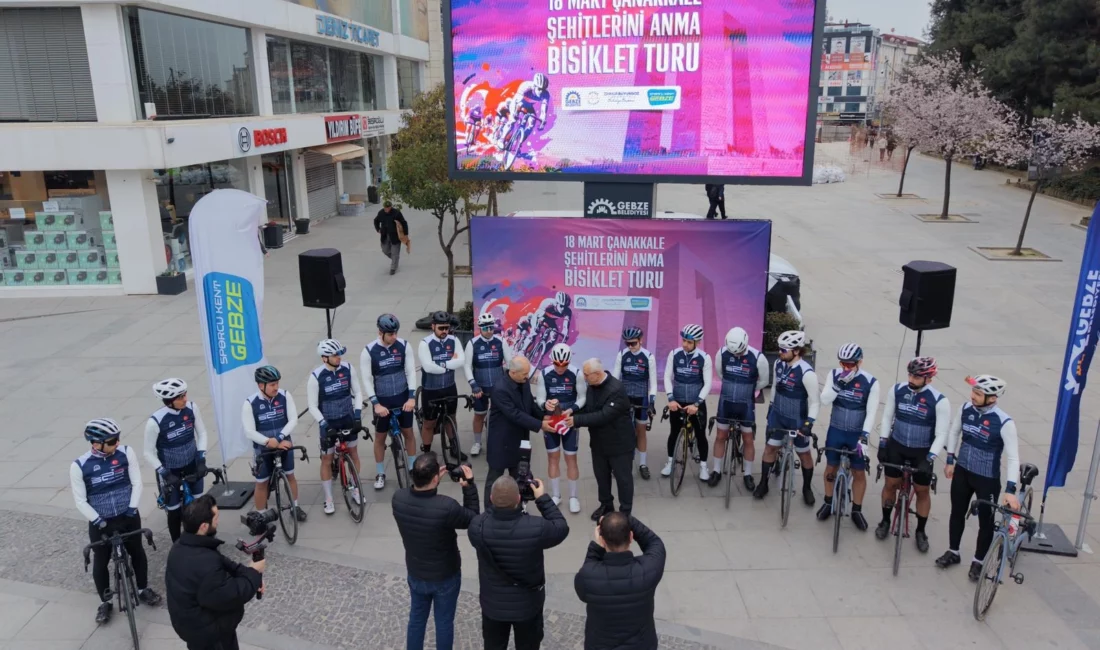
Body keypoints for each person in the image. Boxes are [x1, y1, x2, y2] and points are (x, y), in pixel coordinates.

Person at [73, 418, 162, 624]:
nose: (118, 443)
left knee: (137, 551)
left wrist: (132, 509)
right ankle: (105, 602)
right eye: (112, 441)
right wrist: (98, 520)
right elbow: (80, 501)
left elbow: (137, 482)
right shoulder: (79, 466)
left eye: (118, 438)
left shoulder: (126, 453)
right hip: (100, 522)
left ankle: (142, 589)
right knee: (101, 560)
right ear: (97, 444)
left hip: (127, 515)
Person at [469, 475, 570, 650]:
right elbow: (561, 527)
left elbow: (486, 516)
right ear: (518, 499)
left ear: (491, 498)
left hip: (493, 605)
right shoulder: (536, 527)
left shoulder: (477, 527)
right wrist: (542, 498)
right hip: (528, 605)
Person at [936, 375, 1020, 581]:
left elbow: (1013, 458)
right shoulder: (966, 409)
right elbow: (954, 432)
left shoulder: (1004, 422)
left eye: (978, 394)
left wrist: (1010, 490)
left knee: (986, 522)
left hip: (987, 479)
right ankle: (953, 551)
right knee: (957, 512)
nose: (972, 396)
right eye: (973, 391)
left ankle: (978, 561)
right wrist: (950, 460)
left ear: (992, 398)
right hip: (962, 472)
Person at [392, 453, 479, 650]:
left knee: (416, 619)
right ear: (435, 479)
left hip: (416, 571)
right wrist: (469, 487)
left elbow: (416, 495)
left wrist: (431, 477)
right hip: (445, 575)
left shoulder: (398, 499)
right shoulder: (446, 507)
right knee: (444, 622)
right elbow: (473, 518)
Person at [166, 495, 264, 650]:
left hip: (192, 626)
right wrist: (254, 574)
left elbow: (223, 562)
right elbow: (232, 594)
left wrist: (249, 572)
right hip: (210, 635)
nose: (218, 521)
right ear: (204, 526)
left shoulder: (182, 545)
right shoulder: (205, 564)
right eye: (216, 518)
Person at [875, 356, 950, 553]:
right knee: (890, 484)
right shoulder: (897, 390)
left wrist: (930, 458)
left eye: (916, 377)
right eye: (910, 375)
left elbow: (942, 434)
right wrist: (883, 444)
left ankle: (920, 531)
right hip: (897, 446)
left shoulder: (939, 401)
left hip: (922, 452)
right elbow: (887, 417)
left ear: (929, 378)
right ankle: (885, 520)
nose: (911, 379)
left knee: (922, 491)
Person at [574, 512, 666, 650]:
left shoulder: (588, 576)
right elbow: (654, 542)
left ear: (602, 540)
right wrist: (627, 518)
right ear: (631, 536)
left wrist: (595, 550)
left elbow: (583, 587)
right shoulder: (648, 569)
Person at [816, 343, 880, 530]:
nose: (846, 367)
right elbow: (824, 400)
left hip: (856, 434)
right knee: (831, 467)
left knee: (859, 472)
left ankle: (857, 510)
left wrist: (865, 437)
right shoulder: (834, 375)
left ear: (860, 362)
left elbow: (871, 412)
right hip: (836, 430)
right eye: (843, 363)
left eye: (850, 364)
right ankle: (828, 501)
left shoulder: (871, 382)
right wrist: (839, 385)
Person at [754, 330, 819, 504]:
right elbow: (775, 387)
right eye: (779, 349)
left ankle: (807, 488)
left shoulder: (807, 373)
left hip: (797, 419)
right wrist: (770, 407)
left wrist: (809, 424)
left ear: (796, 351)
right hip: (778, 416)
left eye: (783, 350)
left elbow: (815, 402)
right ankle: (763, 483)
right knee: (769, 449)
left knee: (804, 455)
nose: (779, 352)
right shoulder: (778, 363)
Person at [485, 355, 558, 509]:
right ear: (513, 372)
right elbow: (514, 414)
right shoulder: (500, 389)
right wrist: (540, 425)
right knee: (494, 478)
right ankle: (489, 511)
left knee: (520, 476)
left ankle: (518, 508)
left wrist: (544, 415)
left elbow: (529, 405)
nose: (527, 377)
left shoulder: (523, 382)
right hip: (501, 442)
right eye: (524, 374)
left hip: (520, 438)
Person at [567, 358, 635, 520]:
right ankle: (606, 505)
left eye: (586, 374)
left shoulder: (616, 390)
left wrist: (576, 420)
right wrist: (572, 412)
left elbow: (603, 416)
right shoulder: (592, 386)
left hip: (619, 445)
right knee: (601, 476)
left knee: (623, 479)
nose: (584, 377)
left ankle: (625, 512)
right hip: (599, 443)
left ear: (597, 374)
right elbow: (589, 408)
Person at [146, 378, 209, 542]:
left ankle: (202, 540)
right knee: (174, 511)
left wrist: (201, 459)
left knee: (199, 506)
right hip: (170, 470)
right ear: (169, 401)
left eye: (185, 394)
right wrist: (165, 474)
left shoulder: (192, 408)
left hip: (192, 464)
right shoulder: (155, 421)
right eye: (180, 397)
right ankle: (177, 545)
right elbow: (148, 453)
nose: (185, 399)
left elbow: (202, 433)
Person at [362, 313, 419, 490]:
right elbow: (366, 380)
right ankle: (380, 473)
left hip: (403, 398)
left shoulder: (404, 346)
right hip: (383, 402)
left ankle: (412, 467)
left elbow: (411, 372)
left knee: (409, 433)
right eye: (390, 334)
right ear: (380, 333)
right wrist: (376, 404)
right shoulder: (369, 351)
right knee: (379, 438)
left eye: (396, 333)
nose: (394, 337)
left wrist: (411, 397)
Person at [307, 339, 364, 515]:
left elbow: (358, 392)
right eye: (335, 355)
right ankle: (329, 498)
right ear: (324, 358)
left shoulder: (348, 368)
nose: (339, 357)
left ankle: (355, 488)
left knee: (353, 453)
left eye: (339, 354)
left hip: (347, 418)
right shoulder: (316, 377)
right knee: (327, 459)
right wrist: (324, 424)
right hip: (328, 423)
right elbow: (312, 406)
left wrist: (357, 415)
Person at [241, 365, 305, 520]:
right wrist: (267, 441)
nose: (276, 387)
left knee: (290, 475)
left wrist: (279, 438)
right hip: (263, 449)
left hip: (284, 444)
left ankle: (295, 507)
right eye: (272, 384)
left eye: (277, 383)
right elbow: (249, 431)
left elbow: (293, 420)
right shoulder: (250, 403)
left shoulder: (285, 396)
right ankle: (261, 516)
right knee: (261, 483)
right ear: (260, 385)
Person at [711, 327, 769, 490]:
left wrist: (747, 388)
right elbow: (720, 374)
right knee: (720, 436)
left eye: (739, 352)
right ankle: (716, 470)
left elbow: (764, 381)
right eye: (733, 353)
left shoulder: (758, 358)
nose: (736, 355)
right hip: (726, 403)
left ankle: (748, 474)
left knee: (748, 439)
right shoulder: (721, 353)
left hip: (746, 405)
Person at [535, 343, 587, 513]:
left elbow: (582, 397)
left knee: (571, 458)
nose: (560, 367)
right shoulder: (544, 374)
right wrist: (545, 404)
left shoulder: (576, 373)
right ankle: (556, 495)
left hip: (569, 420)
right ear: (552, 360)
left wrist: (572, 410)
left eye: (564, 364)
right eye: (557, 364)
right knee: (553, 458)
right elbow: (540, 398)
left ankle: (573, 497)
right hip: (551, 420)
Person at [660, 324, 713, 482]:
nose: (685, 344)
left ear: (698, 342)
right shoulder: (674, 354)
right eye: (683, 340)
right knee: (674, 432)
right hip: (677, 402)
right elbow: (667, 377)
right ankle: (670, 462)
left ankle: (703, 466)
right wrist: (671, 399)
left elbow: (708, 383)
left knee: (701, 435)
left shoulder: (705, 357)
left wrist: (697, 404)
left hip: (696, 403)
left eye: (689, 342)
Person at [464, 312, 514, 457]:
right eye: (485, 328)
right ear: (480, 328)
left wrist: (509, 381)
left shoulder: (501, 342)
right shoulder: (472, 343)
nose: (489, 331)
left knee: (501, 415)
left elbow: (509, 363)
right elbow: (467, 366)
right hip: (480, 387)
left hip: (498, 387)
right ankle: (477, 443)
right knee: (479, 415)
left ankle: (501, 440)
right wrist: (473, 385)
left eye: (491, 327)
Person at [611, 326, 657, 479]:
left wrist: (652, 402)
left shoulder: (648, 357)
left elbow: (653, 384)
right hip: (625, 398)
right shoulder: (622, 355)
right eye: (627, 343)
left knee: (641, 431)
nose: (630, 347)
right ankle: (620, 463)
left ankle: (643, 464)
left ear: (641, 340)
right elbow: (615, 379)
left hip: (641, 398)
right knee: (621, 432)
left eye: (633, 343)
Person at [419, 310, 466, 457]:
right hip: (431, 389)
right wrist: (449, 364)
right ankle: (427, 452)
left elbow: (461, 361)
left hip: (449, 387)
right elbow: (428, 367)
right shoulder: (425, 343)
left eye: (447, 328)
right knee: (429, 423)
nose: (445, 331)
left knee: (451, 418)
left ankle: (454, 447)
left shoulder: (454, 340)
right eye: (441, 328)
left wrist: (441, 364)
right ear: (433, 326)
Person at [374, 201, 410, 275]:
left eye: (388, 207)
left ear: (391, 207)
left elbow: (404, 223)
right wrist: (378, 229)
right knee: (385, 250)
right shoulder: (381, 213)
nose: (387, 209)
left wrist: (406, 234)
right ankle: (395, 259)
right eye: (385, 208)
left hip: (395, 236)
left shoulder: (396, 213)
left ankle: (393, 268)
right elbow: (376, 220)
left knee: (395, 252)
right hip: (384, 235)